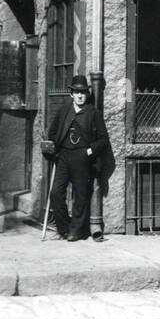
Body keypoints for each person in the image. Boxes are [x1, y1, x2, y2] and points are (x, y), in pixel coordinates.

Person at [43, 75, 109, 242]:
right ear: (71, 94)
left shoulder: (93, 113)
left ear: (87, 94)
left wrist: (88, 152)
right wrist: (53, 148)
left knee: (80, 195)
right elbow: (53, 132)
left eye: (83, 92)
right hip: (64, 156)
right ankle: (64, 227)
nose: (80, 96)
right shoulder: (64, 110)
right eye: (77, 92)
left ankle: (76, 230)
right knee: (56, 193)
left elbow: (103, 139)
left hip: (82, 157)